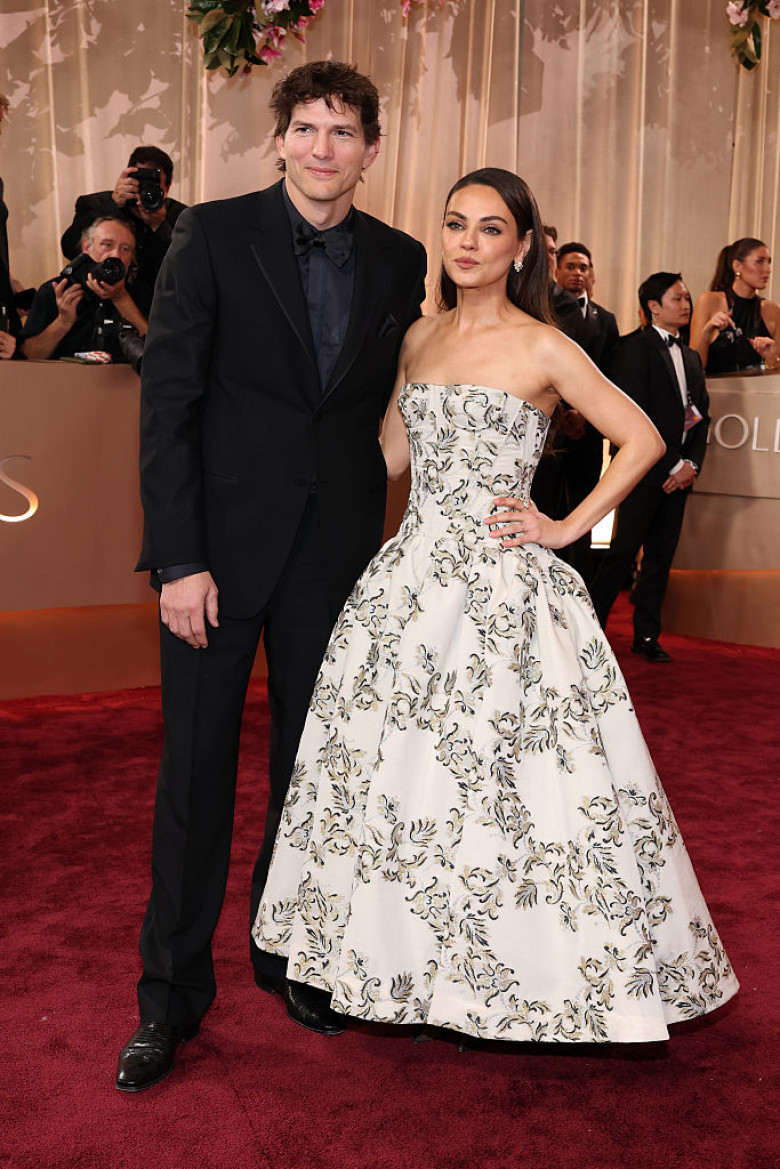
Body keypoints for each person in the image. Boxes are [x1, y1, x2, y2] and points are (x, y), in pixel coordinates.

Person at [252, 169, 738, 1045]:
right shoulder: (418, 339)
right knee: (398, 776)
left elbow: (645, 438)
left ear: (523, 246)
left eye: (490, 228)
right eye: (455, 224)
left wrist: (566, 527)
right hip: (409, 586)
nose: (468, 241)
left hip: (504, 587)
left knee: (509, 779)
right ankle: (392, 959)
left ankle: (515, 975)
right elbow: (389, 460)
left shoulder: (545, 345)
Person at [114, 61, 427, 1093]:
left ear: (371, 150)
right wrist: (179, 556)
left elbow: (395, 406)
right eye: (306, 128)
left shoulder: (399, 259)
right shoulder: (213, 233)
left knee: (313, 773)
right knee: (196, 778)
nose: (323, 147)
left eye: (344, 131)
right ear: (279, 139)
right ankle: (169, 997)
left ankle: (288, 953)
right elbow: (170, 404)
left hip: (334, 559)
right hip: (215, 556)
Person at [589, 273, 710, 662]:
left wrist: (690, 463)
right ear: (653, 306)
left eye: (687, 297)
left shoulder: (691, 355)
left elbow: (701, 416)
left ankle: (645, 636)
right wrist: (673, 462)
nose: (686, 304)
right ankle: (590, 632)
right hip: (643, 473)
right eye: (678, 298)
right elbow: (633, 412)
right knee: (621, 554)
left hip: (679, 476)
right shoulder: (632, 348)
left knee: (661, 557)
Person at [541, 242, 620, 583]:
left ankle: (581, 583)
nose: (578, 273)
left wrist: (584, 415)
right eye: (571, 266)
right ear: (557, 271)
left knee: (586, 507)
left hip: (589, 430)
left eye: (584, 267)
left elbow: (611, 374)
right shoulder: (545, 309)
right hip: (550, 427)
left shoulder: (606, 319)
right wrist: (563, 413)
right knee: (547, 507)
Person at [20, 216, 149, 361]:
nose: (116, 255)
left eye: (125, 249)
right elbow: (29, 357)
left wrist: (121, 298)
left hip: (125, 381)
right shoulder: (56, 291)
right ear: (87, 247)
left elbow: (160, 352)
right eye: (107, 245)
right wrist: (63, 322)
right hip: (63, 381)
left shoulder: (142, 294)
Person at [60, 146, 186, 293]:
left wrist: (159, 226)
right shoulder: (94, 204)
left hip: (153, 301)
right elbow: (70, 249)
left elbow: (183, 271)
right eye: (140, 183)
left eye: (153, 185)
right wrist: (112, 205)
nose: (145, 191)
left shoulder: (181, 216)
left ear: (168, 187)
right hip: (97, 295)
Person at [690, 237, 780, 374]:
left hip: (757, 393)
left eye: (769, 262)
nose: (768, 269)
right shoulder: (709, 301)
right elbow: (693, 367)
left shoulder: (772, 310)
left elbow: (775, 372)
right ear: (737, 265)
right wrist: (706, 333)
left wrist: (772, 359)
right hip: (715, 393)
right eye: (760, 262)